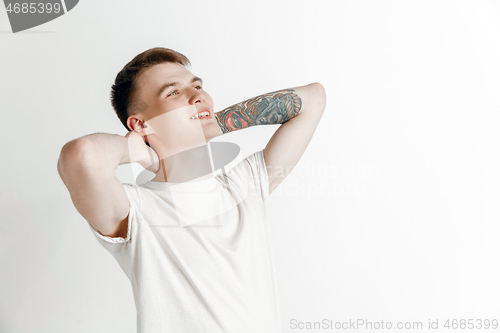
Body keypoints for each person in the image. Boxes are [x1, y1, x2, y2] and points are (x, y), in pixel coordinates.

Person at [57, 47, 326, 333]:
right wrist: (139, 151)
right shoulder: (137, 211)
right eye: (173, 92)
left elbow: (313, 98)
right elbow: (81, 155)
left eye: (197, 86)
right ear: (140, 124)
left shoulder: (246, 185)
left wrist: (214, 123)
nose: (197, 96)